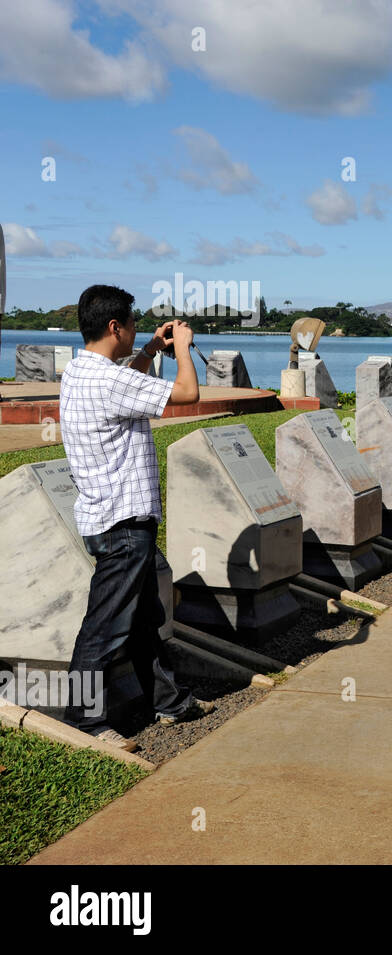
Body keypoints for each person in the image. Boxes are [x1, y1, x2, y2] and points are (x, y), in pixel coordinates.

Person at [59, 285, 213, 751]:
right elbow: (188, 392)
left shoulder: (80, 372)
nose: (132, 331)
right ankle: (83, 723)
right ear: (114, 327)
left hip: (109, 519)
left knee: (146, 617)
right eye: (130, 325)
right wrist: (183, 349)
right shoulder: (110, 381)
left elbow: (129, 382)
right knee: (105, 628)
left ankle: (169, 701)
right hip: (124, 526)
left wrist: (150, 349)